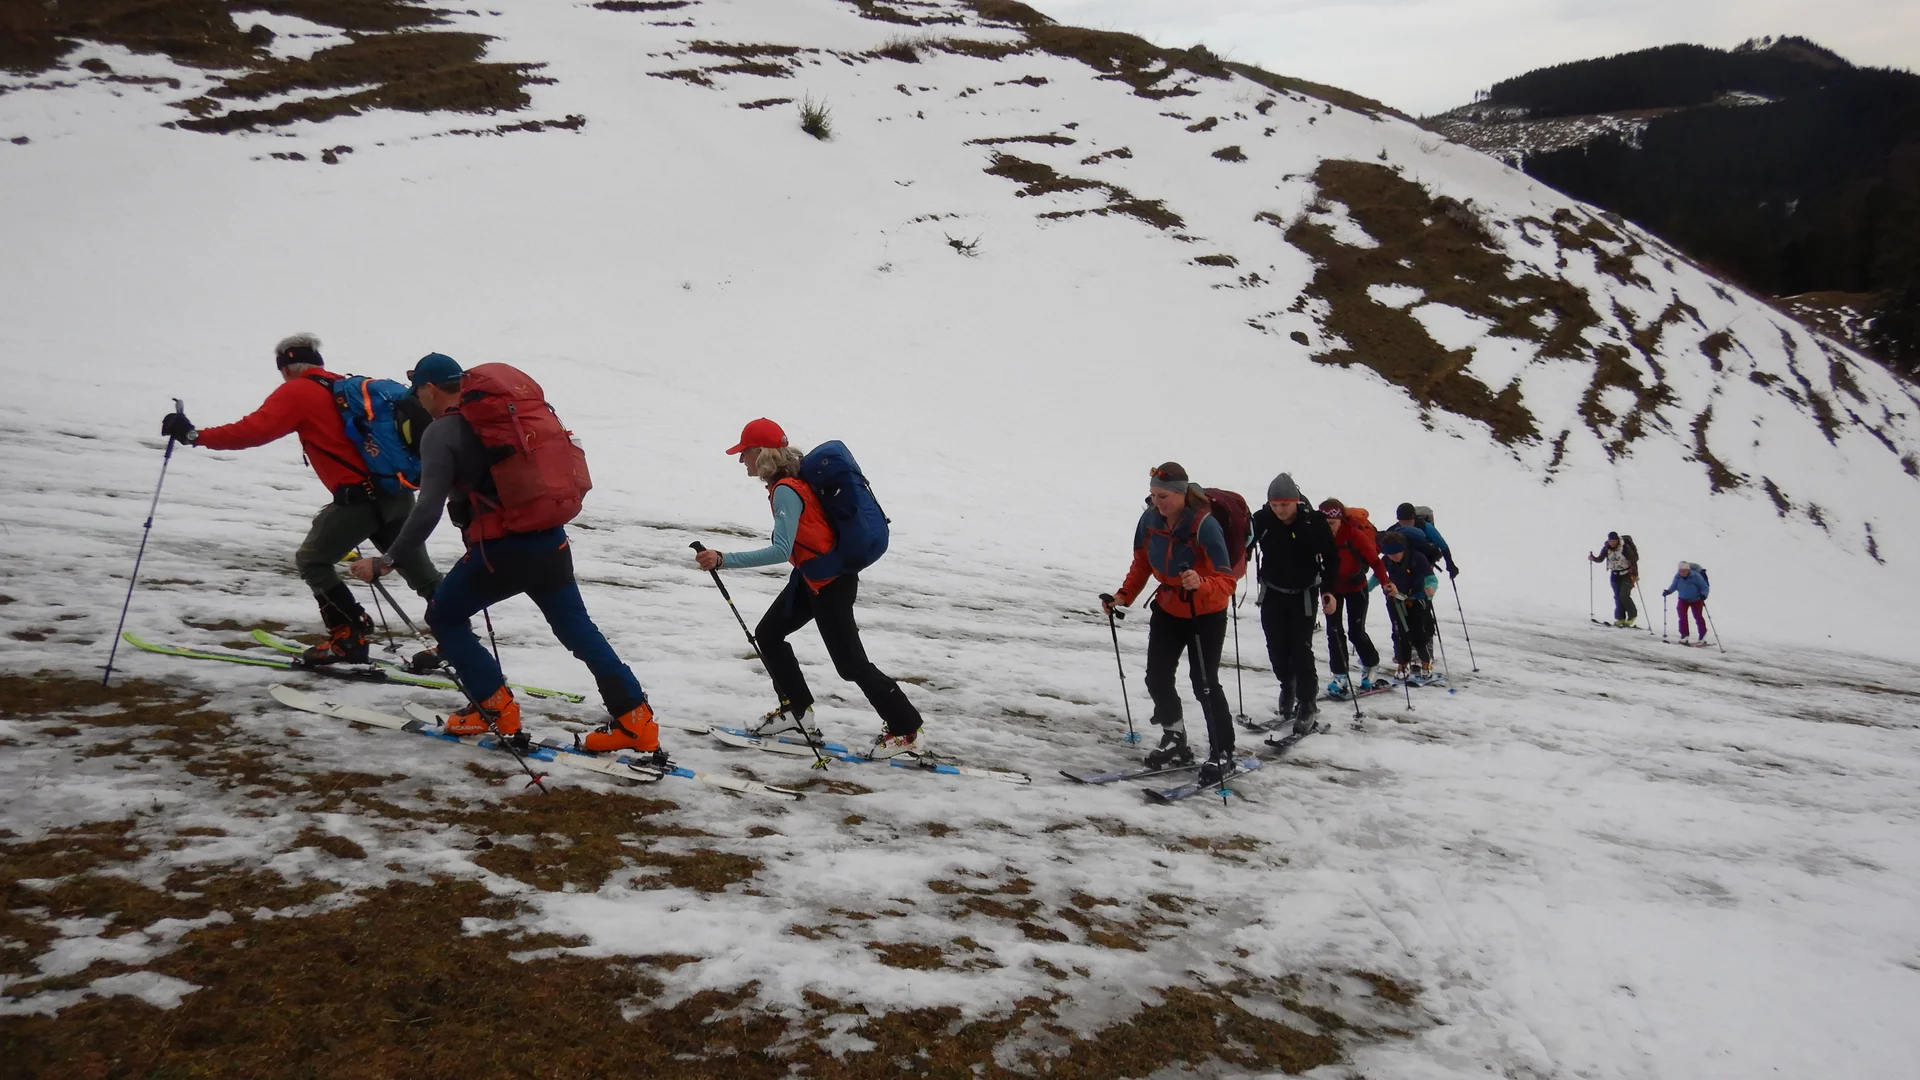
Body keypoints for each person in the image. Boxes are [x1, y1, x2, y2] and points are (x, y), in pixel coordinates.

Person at [347, 353, 662, 759]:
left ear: (428, 388)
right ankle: (635, 721)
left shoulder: (442, 432)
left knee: (444, 615)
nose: (418, 400)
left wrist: (385, 561)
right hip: (551, 543)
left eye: (418, 391)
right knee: (578, 631)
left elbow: (426, 508)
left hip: (503, 551)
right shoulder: (509, 422)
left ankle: (494, 708)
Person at [158, 334, 442, 666]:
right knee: (421, 572)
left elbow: (253, 431)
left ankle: (348, 635)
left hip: (358, 502)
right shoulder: (344, 386)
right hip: (397, 494)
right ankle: (456, 637)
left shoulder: (297, 391)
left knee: (313, 561)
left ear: (285, 367)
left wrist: (196, 436)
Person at [694, 418, 924, 758]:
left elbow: (779, 550)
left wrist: (723, 559)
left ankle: (907, 730)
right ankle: (796, 711)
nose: (741, 460)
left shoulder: (786, 490)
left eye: (744, 453)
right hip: (811, 577)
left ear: (761, 453)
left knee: (851, 666)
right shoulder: (791, 478)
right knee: (769, 634)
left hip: (830, 584)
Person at [1105, 463, 1240, 783]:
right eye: (1152, 495)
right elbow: (1142, 562)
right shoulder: (1149, 520)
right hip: (1168, 608)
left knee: (1204, 683)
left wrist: (1201, 583)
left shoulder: (1205, 526)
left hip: (1205, 612)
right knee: (1157, 677)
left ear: (1181, 494)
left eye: (1163, 495)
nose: (1156, 502)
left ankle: (1223, 751)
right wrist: (1123, 596)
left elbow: (1227, 580)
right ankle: (1175, 737)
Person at [1248, 473, 1337, 737]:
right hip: (1272, 592)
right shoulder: (1262, 520)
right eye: (1274, 505)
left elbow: (1332, 558)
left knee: (1301, 649)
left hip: (1304, 595)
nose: (1279, 510)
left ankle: (1307, 701)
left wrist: (1329, 591)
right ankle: (1287, 685)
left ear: (1295, 501)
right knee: (1276, 648)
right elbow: (1243, 545)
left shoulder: (1314, 522)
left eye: (1284, 504)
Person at [1319, 499, 1398, 695]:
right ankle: (1340, 675)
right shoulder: (1318, 537)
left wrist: (1386, 583)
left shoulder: (1354, 535)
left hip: (1356, 587)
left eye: (1332, 523)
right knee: (1334, 632)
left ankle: (1371, 665)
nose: (1329, 528)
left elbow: (1375, 562)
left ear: (1340, 520)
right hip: (1332, 588)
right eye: (1324, 524)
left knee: (1356, 631)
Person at [1377, 531, 1439, 681]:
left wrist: (1431, 589)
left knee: (1418, 634)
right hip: (1395, 600)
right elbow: (1377, 576)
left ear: (1402, 548)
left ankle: (1426, 661)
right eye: (1389, 554)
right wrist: (1365, 589)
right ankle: (1403, 663)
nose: (1393, 556)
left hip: (1417, 600)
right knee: (1399, 634)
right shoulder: (1387, 560)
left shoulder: (1417, 558)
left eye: (1396, 553)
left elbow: (1431, 578)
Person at [1395, 503, 1458, 578]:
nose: (1406, 525)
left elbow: (1442, 545)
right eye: (1402, 522)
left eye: (1408, 521)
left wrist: (1450, 564)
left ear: (1413, 518)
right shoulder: (1396, 529)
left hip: (1426, 559)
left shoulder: (1426, 527)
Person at [1589, 532, 1639, 626]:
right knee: (1617, 597)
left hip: (1627, 574)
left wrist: (1635, 574)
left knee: (1624, 595)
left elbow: (1633, 561)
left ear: (1617, 540)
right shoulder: (1606, 548)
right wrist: (1593, 558)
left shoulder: (1624, 548)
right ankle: (1620, 618)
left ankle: (1632, 615)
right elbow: (1600, 559)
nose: (1612, 543)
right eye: (1610, 541)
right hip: (1615, 574)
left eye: (1614, 541)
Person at [1663, 561, 1711, 645]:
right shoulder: (1678, 576)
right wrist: (1668, 591)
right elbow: (1674, 585)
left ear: (1688, 570)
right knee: (1682, 617)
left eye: (1684, 571)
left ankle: (1702, 636)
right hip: (1683, 599)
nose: (1682, 573)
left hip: (1696, 599)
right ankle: (1684, 635)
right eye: (1680, 571)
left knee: (1698, 617)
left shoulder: (1696, 576)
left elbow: (1704, 587)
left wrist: (1704, 595)